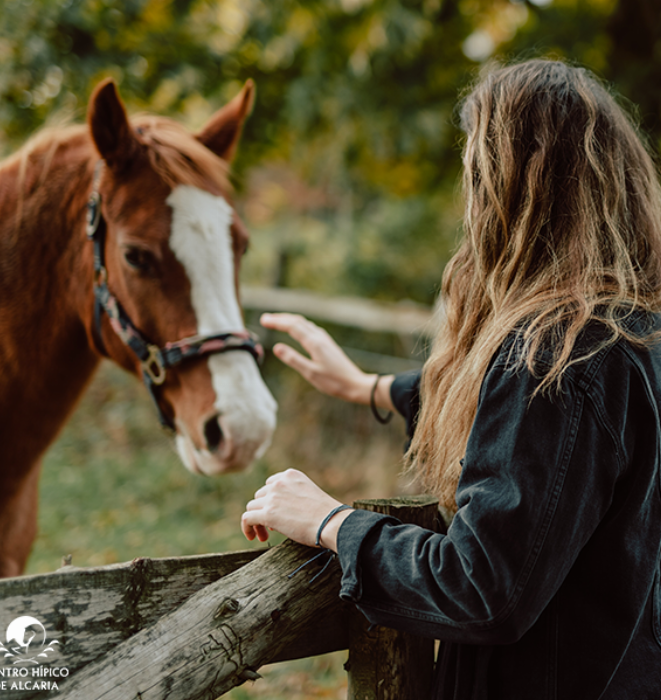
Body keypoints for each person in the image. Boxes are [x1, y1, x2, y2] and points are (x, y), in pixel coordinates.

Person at [241, 59, 661, 698]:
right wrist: (370, 387)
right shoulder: (637, 337)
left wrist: (331, 522)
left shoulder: (554, 356)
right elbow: (544, 444)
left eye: (477, 173)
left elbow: (481, 588)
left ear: (516, 189)